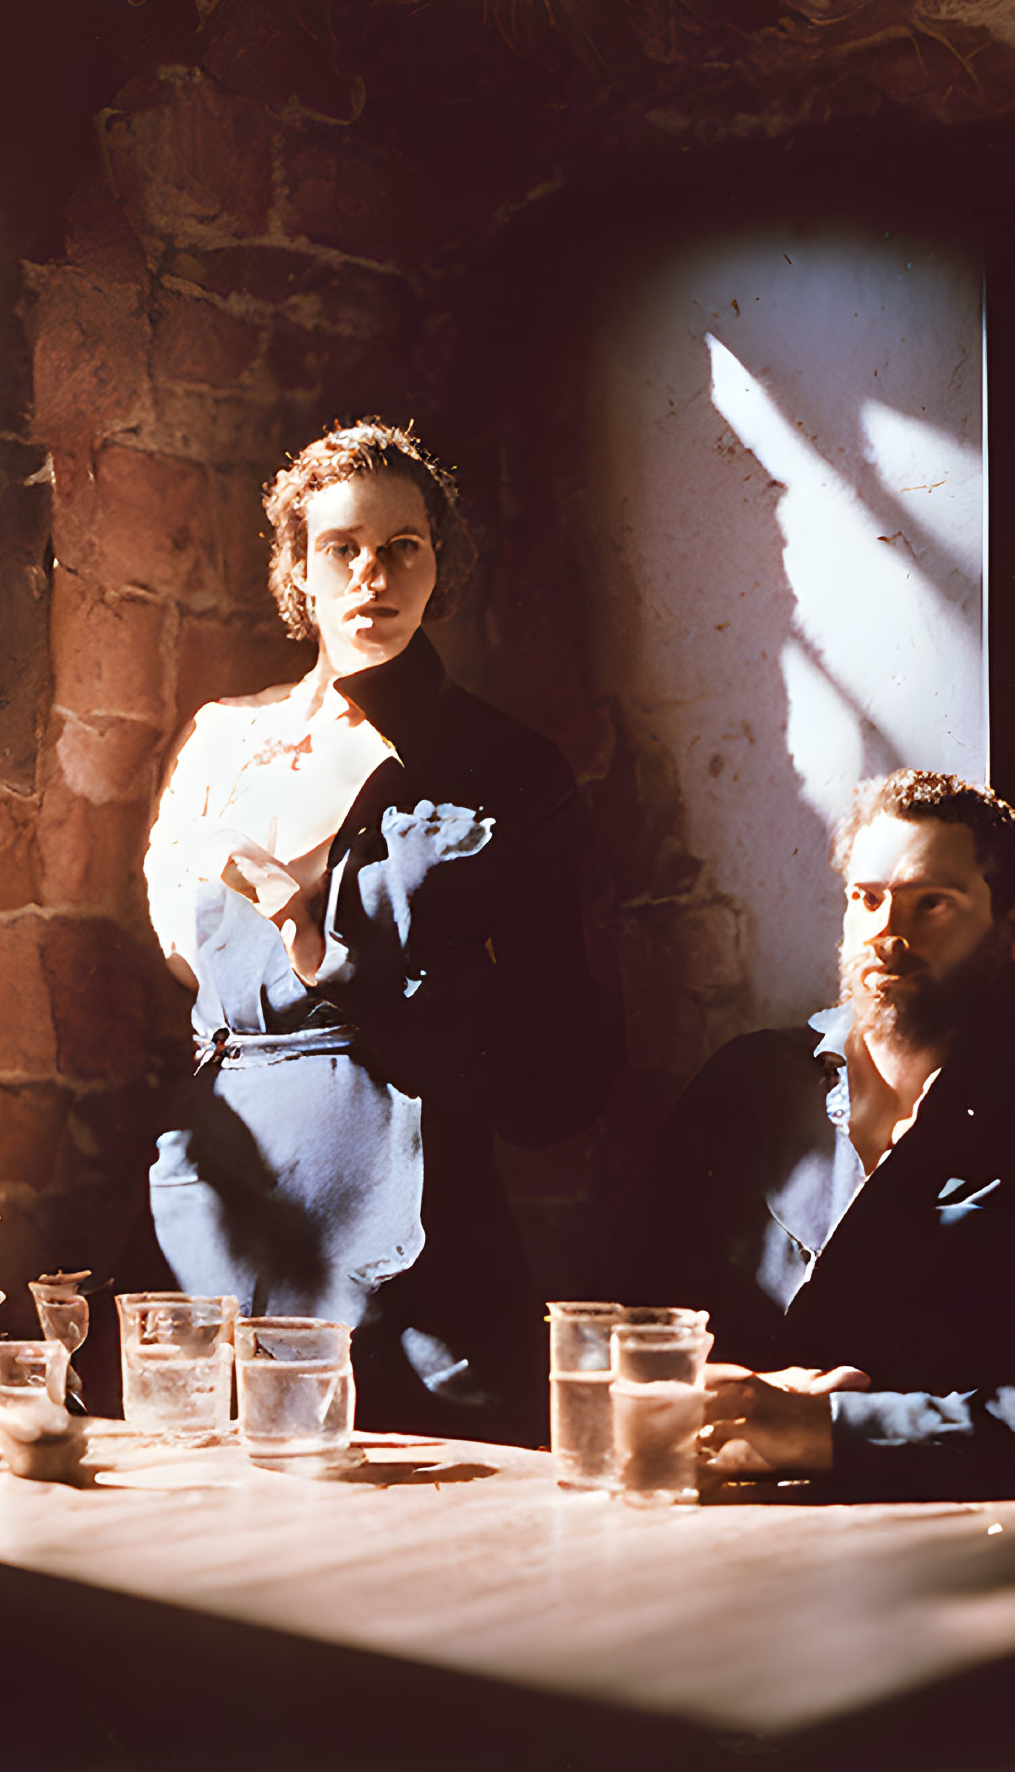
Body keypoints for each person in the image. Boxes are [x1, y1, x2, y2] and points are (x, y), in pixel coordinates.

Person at [137, 419, 615, 1443]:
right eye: (341, 548)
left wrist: (350, 968)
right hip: (226, 1183)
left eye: (405, 547)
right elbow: (188, 957)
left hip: (406, 1196)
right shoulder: (225, 743)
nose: (374, 575)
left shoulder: (507, 767)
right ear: (299, 570)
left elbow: (563, 1064)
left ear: (443, 564)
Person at [634, 769, 1015, 1511]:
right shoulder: (744, 1086)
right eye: (865, 900)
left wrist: (833, 1428)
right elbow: (623, 1324)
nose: (887, 934)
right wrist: (720, 1397)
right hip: (726, 1537)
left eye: (930, 903)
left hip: (970, 1559)